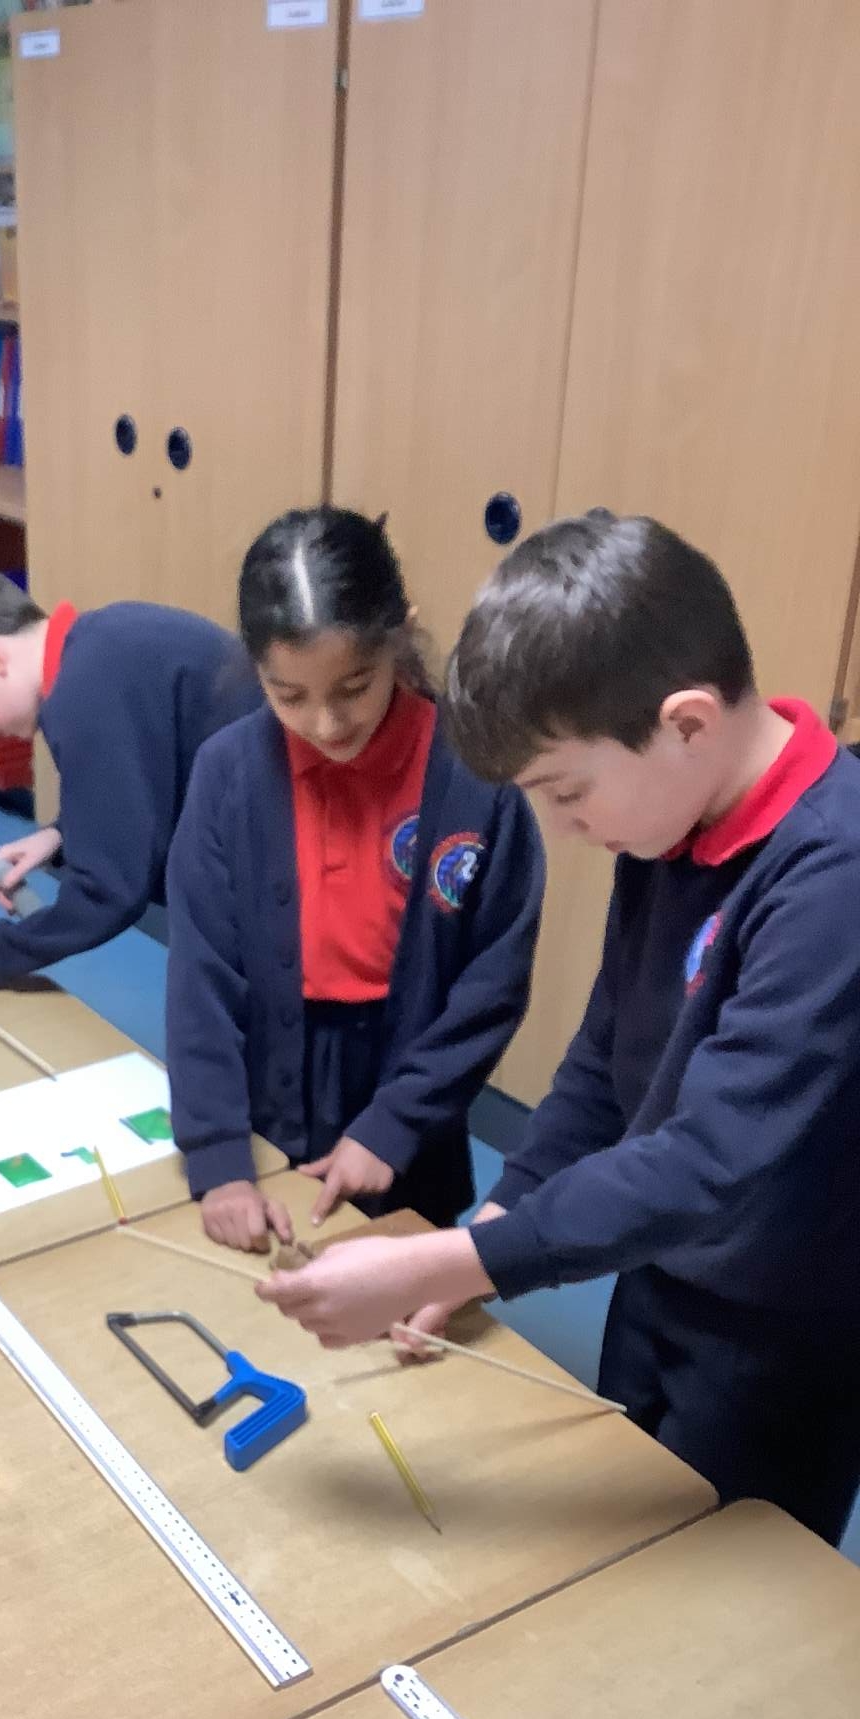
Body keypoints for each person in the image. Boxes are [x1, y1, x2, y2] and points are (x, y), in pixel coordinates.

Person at [258, 511, 860, 1544]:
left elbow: (708, 1163)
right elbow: (602, 1064)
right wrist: (496, 1223)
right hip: (657, 1264)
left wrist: (450, 1264)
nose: (569, 830)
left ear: (687, 724)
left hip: (784, 1326)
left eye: (569, 793)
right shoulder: (673, 819)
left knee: (728, 1578)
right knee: (627, 1523)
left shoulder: (834, 877)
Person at [167, 506, 544, 1252]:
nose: (327, 723)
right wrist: (218, 1160)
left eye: (354, 687)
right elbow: (201, 975)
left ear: (400, 636)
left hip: (413, 1086)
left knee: (399, 1292)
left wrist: (396, 1123)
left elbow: (491, 984)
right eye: (290, 696)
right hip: (273, 1084)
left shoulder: (475, 779)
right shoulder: (227, 773)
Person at [0, 559, 260, 992]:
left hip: (276, 889)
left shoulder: (82, 699)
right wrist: (60, 836)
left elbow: (109, 892)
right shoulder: (101, 642)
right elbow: (147, 790)